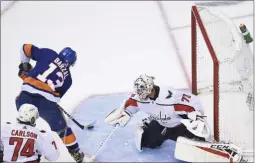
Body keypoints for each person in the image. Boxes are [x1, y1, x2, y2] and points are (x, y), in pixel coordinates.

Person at [105, 74, 245, 162]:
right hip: (160, 124)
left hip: (179, 127)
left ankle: (221, 150)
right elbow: (131, 104)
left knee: (195, 151)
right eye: (138, 92)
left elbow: (192, 103)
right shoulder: (140, 97)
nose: (139, 95)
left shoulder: (170, 97)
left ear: (149, 89)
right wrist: (125, 113)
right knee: (147, 143)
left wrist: (196, 116)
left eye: (142, 92)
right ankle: (149, 124)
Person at [15, 44, 88, 163]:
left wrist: (24, 66)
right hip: (46, 104)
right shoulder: (68, 79)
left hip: (24, 98)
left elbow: (25, 47)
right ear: (71, 63)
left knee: (21, 111)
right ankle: (76, 153)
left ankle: (16, 139)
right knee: (62, 129)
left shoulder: (49, 53)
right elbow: (55, 96)